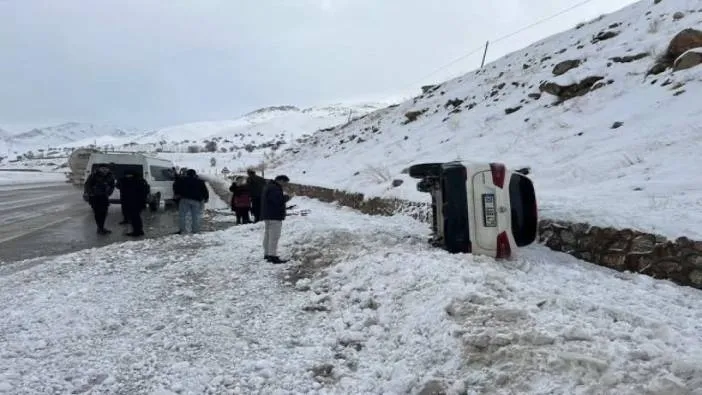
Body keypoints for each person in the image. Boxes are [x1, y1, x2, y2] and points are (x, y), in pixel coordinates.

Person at [260, 175, 291, 264]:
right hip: (274, 215)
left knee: (268, 235)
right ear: (280, 181)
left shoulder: (269, 186)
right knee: (274, 236)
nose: (285, 185)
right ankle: (272, 256)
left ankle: (267, 254)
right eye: (285, 183)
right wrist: (287, 197)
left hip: (268, 215)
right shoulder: (275, 188)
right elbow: (278, 201)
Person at [173, 169, 209, 234]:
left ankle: (182, 230)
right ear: (194, 174)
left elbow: (176, 186)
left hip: (184, 199)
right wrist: (206, 199)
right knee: (195, 216)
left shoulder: (182, 180)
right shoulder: (200, 181)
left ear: (187, 174)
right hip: (196, 201)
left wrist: (177, 194)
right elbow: (205, 191)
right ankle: (195, 231)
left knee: (182, 216)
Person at [83, 163, 115, 235]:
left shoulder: (110, 176)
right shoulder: (93, 175)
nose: (105, 170)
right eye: (103, 168)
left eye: (106, 169)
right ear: (99, 169)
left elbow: (112, 186)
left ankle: (101, 227)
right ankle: (100, 228)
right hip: (95, 197)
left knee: (104, 213)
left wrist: (109, 192)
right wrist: (91, 192)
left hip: (104, 197)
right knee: (98, 213)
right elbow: (87, 185)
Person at [117, 170, 150, 237]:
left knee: (135, 217)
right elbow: (119, 187)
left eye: (129, 174)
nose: (127, 176)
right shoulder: (126, 181)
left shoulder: (137, 181)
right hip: (131, 201)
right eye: (126, 175)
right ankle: (138, 230)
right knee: (134, 217)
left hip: (136, 202)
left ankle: (137, 231)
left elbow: (144, 191)